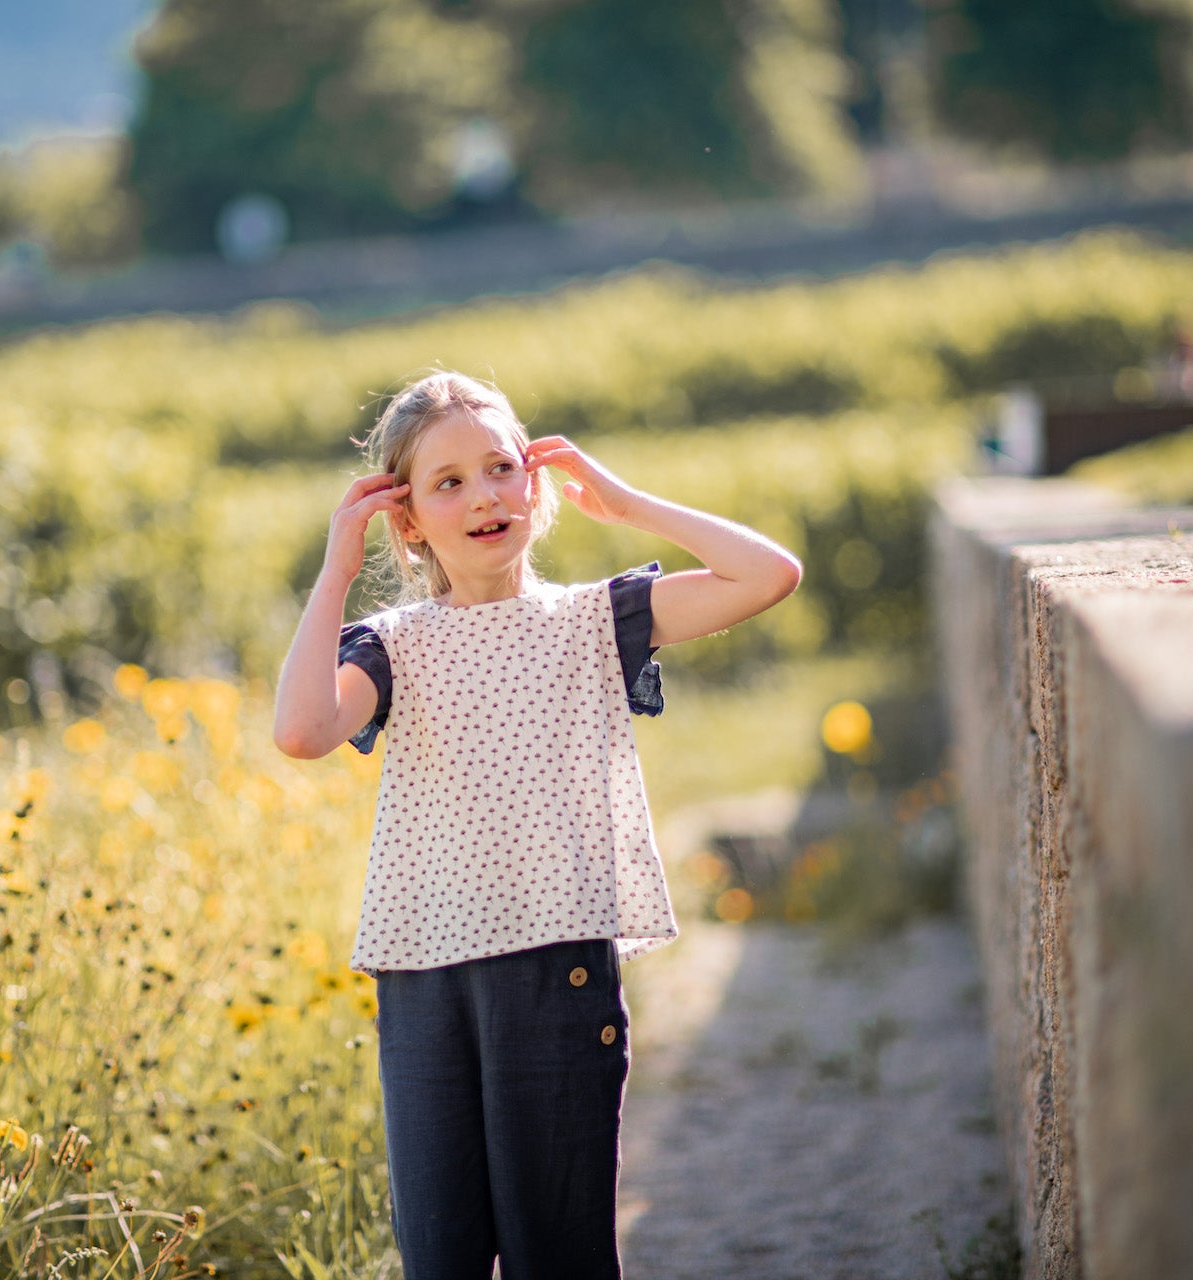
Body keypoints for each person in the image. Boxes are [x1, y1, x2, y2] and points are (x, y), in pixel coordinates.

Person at [272, 370, 801, 1280]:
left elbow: (769, 574)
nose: (483, 496)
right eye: (446, 483)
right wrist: (335, 572)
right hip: (427, 981)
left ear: (536, 483)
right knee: (441, 1257)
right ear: (408, 520)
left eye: (501, 468)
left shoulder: (597, 619)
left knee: (560, 1253)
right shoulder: (390, 645)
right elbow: (302, 730)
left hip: (558, 973)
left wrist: (628, 504)